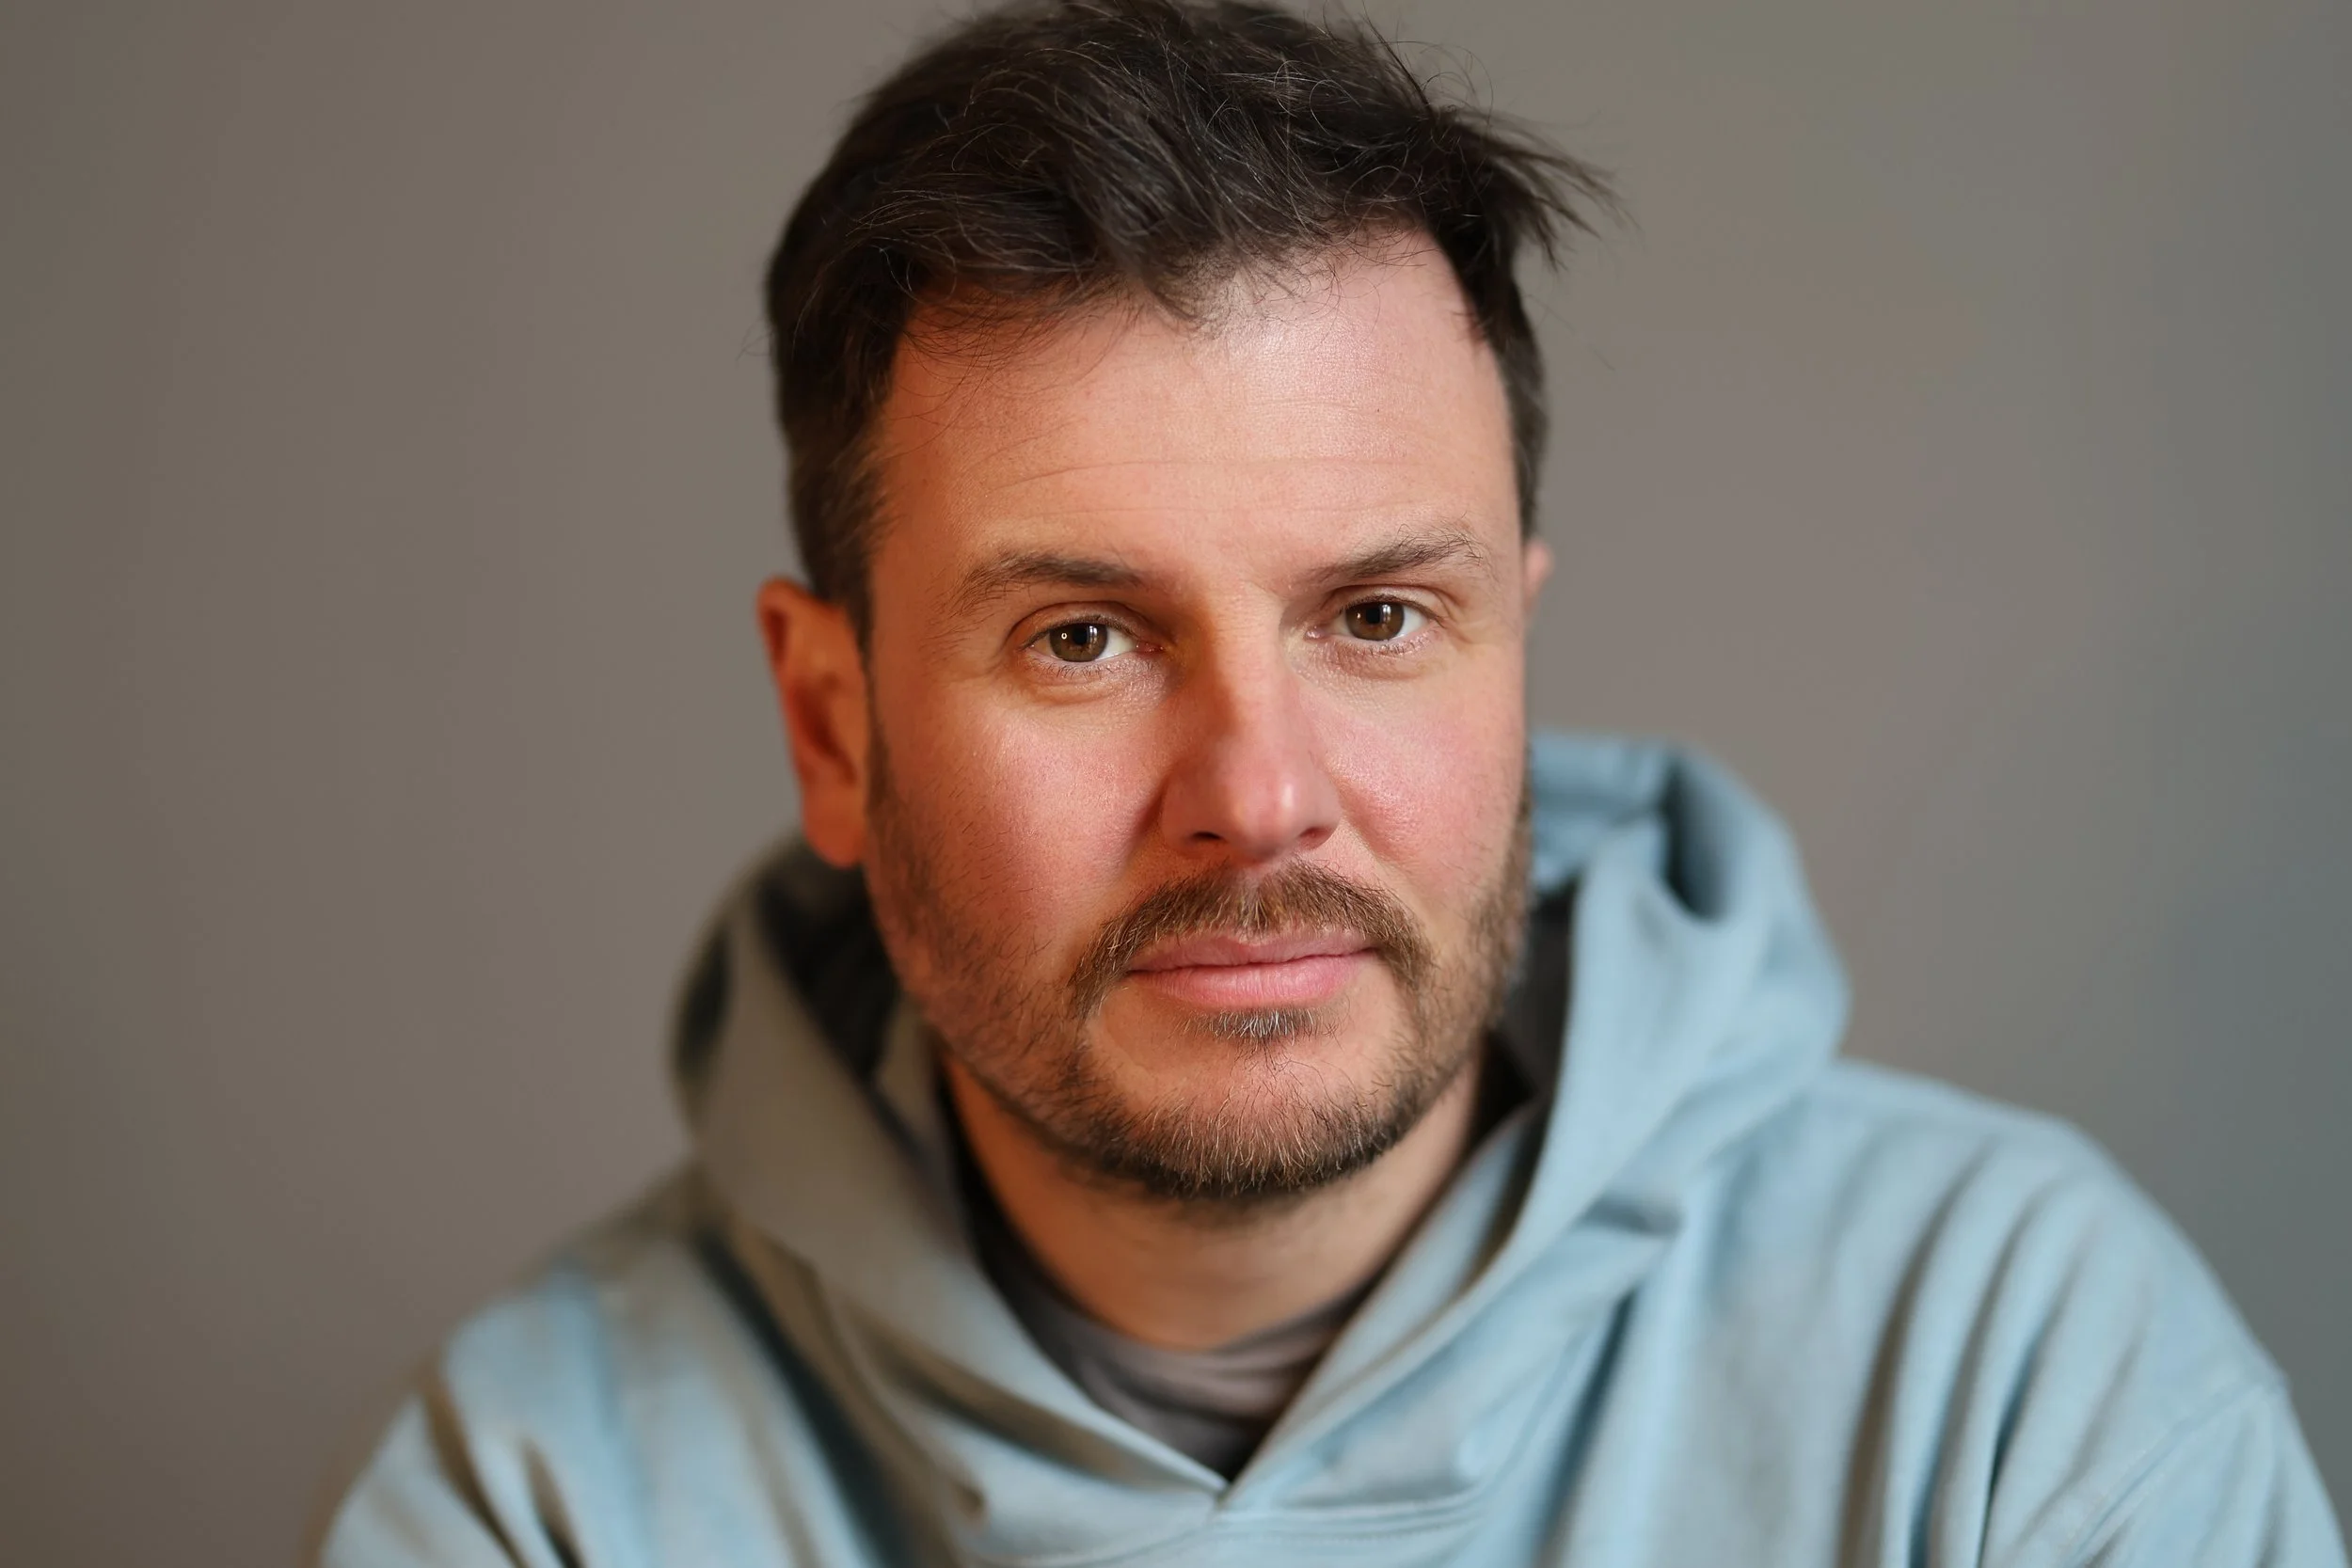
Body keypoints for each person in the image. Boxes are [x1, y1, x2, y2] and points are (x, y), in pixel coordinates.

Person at [313, 2, 2344, 1562]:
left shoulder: (2013, 1380)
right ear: (832, 724)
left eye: (1374, 616)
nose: (1256, 795)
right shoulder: (546, 1496)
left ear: (1512, 647)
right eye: (1082, 637)